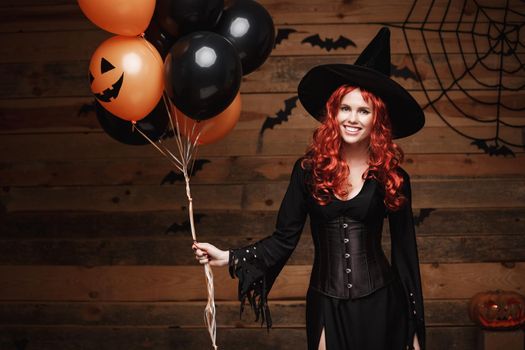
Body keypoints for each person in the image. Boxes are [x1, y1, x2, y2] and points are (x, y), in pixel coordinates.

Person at [192, 27, 426, 350]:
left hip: (382, 304)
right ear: (333, 113)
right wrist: (230, 256)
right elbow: (283, 239)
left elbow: (405, 256)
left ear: (377, 120)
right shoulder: (307, 172)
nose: (352, 118)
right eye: (345, 108)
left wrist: (413, 332)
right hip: (326, 303)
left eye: (363, 110)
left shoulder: (392, 176)